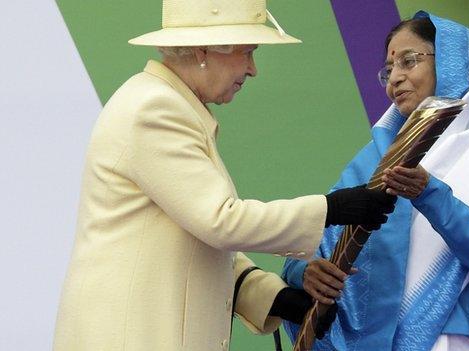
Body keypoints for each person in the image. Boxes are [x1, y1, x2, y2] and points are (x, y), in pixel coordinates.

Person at [52, 1, 397, 350]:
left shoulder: (164, 102)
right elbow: (220, 222)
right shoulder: (156, 108)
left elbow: (195, 240)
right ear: (205, 50)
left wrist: (275, 299)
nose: (252, 69)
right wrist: (332, 209)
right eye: (248, 52)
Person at [282, 11, 469, 351]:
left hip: (465, 339)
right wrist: (303, 272)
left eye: (409, 61)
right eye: (388, 71)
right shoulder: (376, 161)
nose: (395, 79)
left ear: (452, 62)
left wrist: (430, 194)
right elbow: (311, 243)